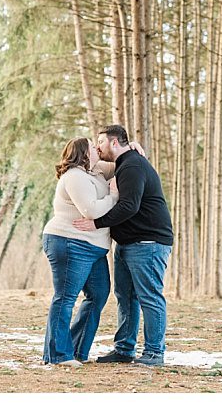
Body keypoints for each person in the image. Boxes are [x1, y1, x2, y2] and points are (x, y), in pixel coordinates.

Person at [74, 124, 173, 367]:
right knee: (126, 297)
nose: (98, 147)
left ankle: (154, 353)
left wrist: (97, 223)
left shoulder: (133, 166)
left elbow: (130, 206)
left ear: (115, 142)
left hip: (148, 243)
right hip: (129, 243)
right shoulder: (124, 164)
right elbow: (89, 165)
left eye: (101, 142)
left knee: (149, 297)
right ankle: (125, 349)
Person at [41, 137, 118, 366]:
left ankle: (75, 349)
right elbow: (91, 210)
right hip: (69, 242)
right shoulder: (75, 176)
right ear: (84, 154)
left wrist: (133, 145)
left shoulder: (94, 173)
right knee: (65, 298)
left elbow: (120, 161)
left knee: (99, 294)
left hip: (93, 247)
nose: (97, 149)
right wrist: (113, 196)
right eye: (93, 147)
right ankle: (57, 356)